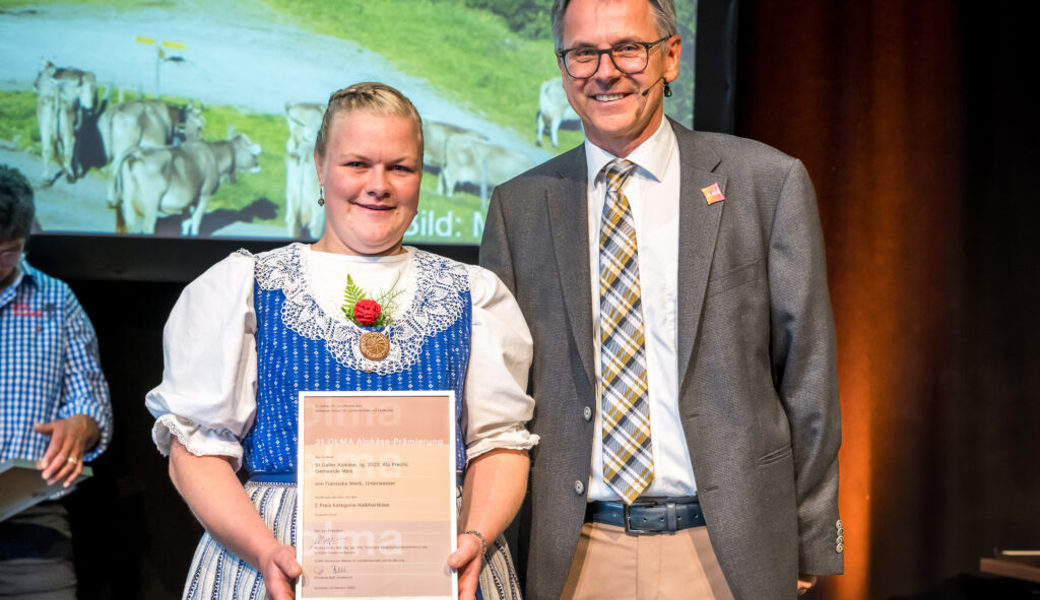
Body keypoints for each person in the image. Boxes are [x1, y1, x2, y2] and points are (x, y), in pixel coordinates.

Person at [479, 1, 843, 598]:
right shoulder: (519, 208)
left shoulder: (766, 183)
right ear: (562, 68)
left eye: (628, 48)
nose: (605, 71)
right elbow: (497, 396)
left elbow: (808, 378)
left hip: (726, 552)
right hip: (571, 555)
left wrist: (808, 539)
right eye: (583, 54)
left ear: (671, 57)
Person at [145, 82, 537, 600]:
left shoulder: (473, 293)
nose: (380, 184)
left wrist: (475, 536)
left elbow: (499, 444)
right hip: (280, 560)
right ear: (319, 166)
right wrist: (265, 550)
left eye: (401, 167)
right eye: (357, 164)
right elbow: (195, 448)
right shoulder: (246, 285)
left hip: (436, 563)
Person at [0, 164, 114, 598]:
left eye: (8, 252)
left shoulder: (55, 301)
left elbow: (91, 406)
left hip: (32, 525)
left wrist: (81, 427)